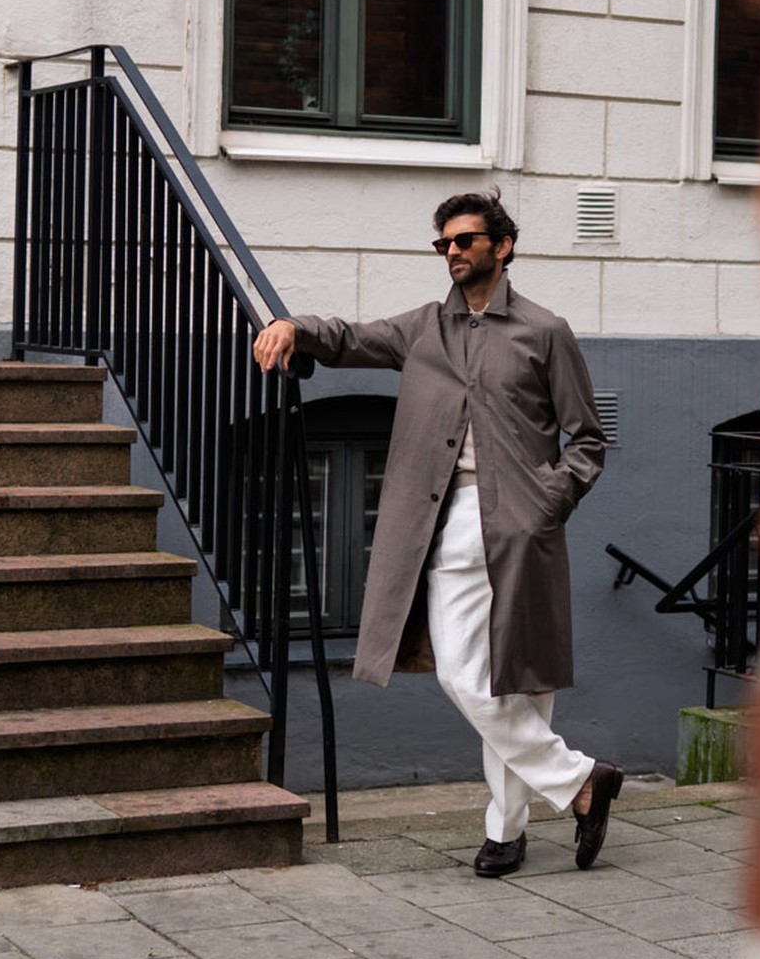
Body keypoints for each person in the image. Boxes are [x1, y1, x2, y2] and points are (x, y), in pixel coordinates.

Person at [252, 190, 621, 877]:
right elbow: (348, 337)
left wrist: (549, 502)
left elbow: (588, 439)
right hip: (448, 525)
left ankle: (506, 832)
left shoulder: (544, 331)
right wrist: (292, 326)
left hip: (523, 528)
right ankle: (579, 781)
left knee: (520, 684)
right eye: (443, 243)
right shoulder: (424, 329)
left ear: (501, 247)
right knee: (461, 673)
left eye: (465, 241)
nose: (452, 252)